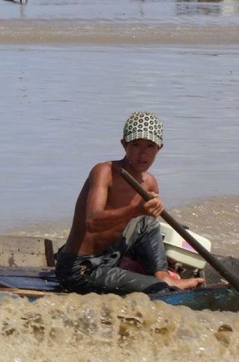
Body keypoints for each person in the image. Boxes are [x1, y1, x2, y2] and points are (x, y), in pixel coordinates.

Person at [55, 111, 204, 293]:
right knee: (159, 289)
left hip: (112, 255)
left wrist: (144, 214)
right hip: (81, 268)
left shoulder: (150, 183)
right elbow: (92, 222)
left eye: (150, 146)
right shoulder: (104, 172)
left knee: (147, 221)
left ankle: (162, 274)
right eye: (136, 145)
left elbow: (142, 226)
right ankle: (162, 284)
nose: (143, 153)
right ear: (124, 145)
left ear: (159, 148)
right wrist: (135, 209)